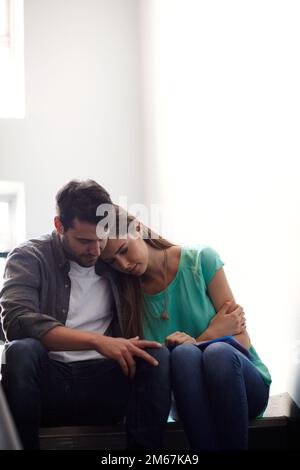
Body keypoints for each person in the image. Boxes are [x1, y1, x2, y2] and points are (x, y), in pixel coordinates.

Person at [0, 180, 171, 450]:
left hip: (103, 383)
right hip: (49, 384)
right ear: (59, 226)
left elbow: (159, 260)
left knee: (156, 357)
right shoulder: (29, 257)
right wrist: (96, 341)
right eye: (84, 241)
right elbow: (16, 321)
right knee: (21, 351)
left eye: (101, 238)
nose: (95, 250)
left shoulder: (112, 259)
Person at [100, 205, 272, 450]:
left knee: (218, 353)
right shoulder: (127, 300)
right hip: (188, 399)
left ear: (137, 228)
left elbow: (242, 343)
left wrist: (197, 343)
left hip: (241, 385)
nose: (123, 264)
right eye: (112, 261)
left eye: (124, 250)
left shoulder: (201, 260)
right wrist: (211, 334)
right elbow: (157, 373)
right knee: (184, 354)